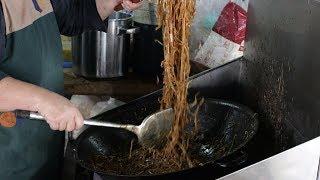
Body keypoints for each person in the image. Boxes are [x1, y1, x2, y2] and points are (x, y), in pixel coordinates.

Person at [0, 0, 142, 179]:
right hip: (8, 156)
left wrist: (112, 1)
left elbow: (75, 16)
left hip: (42, 145)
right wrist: (42, 100)